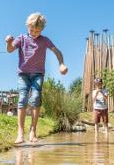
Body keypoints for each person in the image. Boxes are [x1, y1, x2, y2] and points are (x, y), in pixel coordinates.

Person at [5, 12, 68, 144]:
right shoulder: (21, 38)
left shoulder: (44, 40)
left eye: (38, 31)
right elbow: (10, 50)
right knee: (22, 98)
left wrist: (61, 64)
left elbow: (57, 51)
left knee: (35, 98)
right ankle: (20, 133)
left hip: (38, 74)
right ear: (28, 26)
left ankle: (33, 130)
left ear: (42, 29)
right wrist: (9, 42)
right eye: (32, 30)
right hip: (23, 74)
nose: (34, 33)